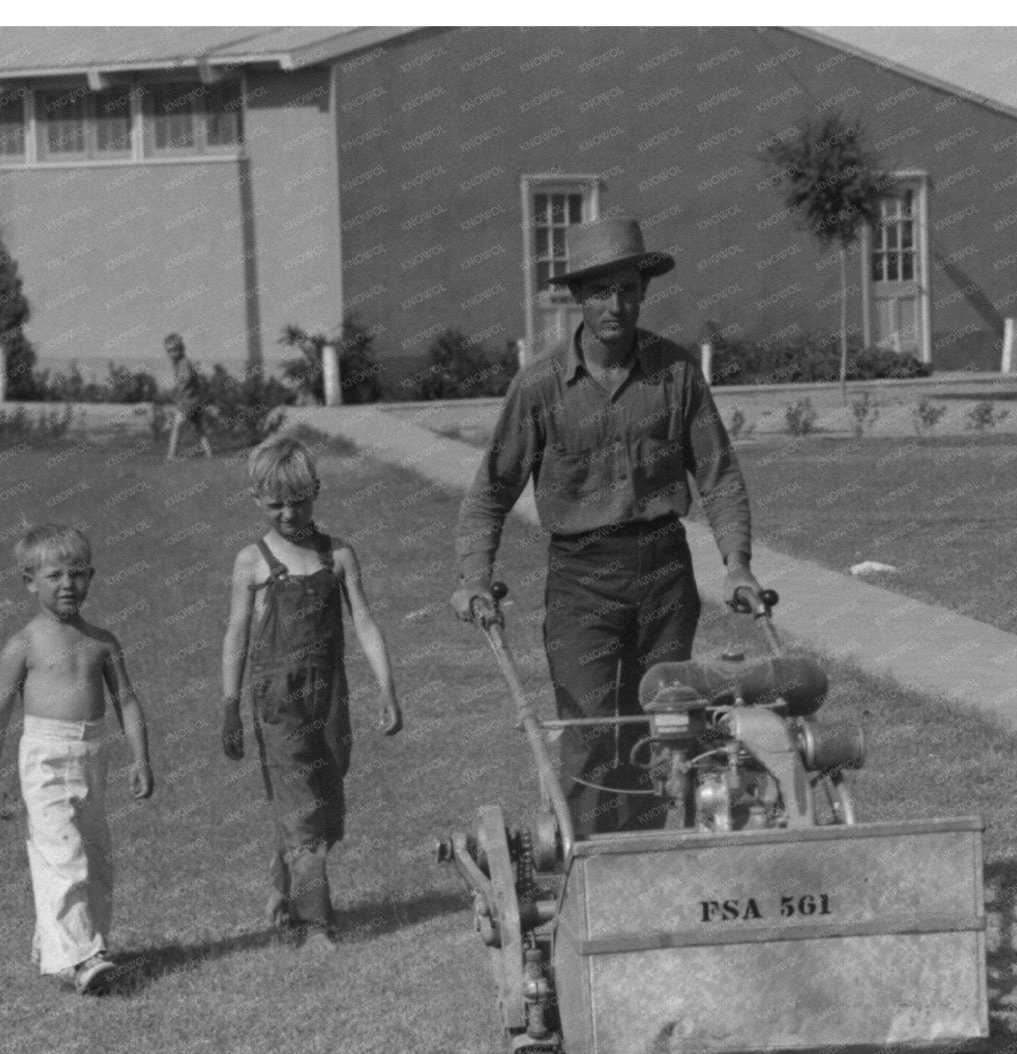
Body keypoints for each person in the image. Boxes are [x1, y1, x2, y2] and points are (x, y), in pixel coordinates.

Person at [450, 216, 764, 836]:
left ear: (643, 292)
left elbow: (719, 475)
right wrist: (475, 578)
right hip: (582, 582)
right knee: (590, 731)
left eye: (626, 290)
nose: (614, 306)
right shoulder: (540, 386)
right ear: (577, 297)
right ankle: (587, 867)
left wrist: (737, 563)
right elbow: (490, 493)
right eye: (599, 292)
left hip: (664, 573)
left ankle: (648, 862)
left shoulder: (676, 373)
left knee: (664, 728)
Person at [221, 437, 402, 949]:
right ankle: (316, 925)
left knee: (323, 802)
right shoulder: (251, 562)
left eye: (298, 501)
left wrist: (386, 687)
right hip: (278, 699)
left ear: (316, 491)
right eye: (275, 504)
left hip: (329, 696)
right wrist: (230, 707)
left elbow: (363, 620)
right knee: (302, 812)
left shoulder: (338, 555)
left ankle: (284, 888)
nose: (288, 513)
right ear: (257, 499)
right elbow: (236, 635)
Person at [0, 524, 154, 995]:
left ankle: (58, 944)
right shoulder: (24, 645)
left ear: (91, 577)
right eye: (54, 575)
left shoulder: (102, 642)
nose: (67, 585)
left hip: (92, 754)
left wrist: (140, 758)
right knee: (63, 855)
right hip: (44, 756)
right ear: (30, 582)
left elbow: (127, 701)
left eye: (77, 574)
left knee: (95, 857)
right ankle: (84, 957)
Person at [164, 333, 216, 461]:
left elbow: (185, 381)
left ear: (181, 349)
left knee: (177, 427)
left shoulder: (183, 363)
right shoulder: (179, 363)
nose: (171, 354)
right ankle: (209, 452)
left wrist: (176, 392)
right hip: (194, 399)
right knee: (199, 427)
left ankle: (171, 455)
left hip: (187, 401)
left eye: (174, 350)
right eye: (169, 351)